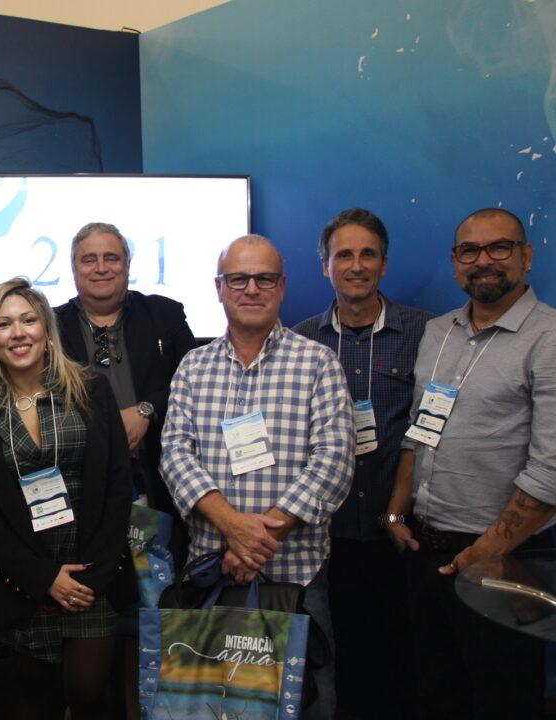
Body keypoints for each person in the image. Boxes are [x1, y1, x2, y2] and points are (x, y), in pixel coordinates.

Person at [160, 235, 354, 720]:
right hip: (211, 574)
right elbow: (175, 455)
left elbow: (334, 462)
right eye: (238, 279)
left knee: (309, 706)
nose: (251, 289)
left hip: (296, 578)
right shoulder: (193, 367)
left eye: (264, 279)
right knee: (208, 708)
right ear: (219, 288)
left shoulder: (318, 364)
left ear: (282, 287)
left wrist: (255, 540)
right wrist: (234, 528)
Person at [385, 207, 556, 720]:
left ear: (526, 256)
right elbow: (420, 430)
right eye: (469, 250)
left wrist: (481, 555)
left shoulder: (549, 338)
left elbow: (550, 472)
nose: (483, 261)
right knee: (439, 693)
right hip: (425, 547)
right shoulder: (439, 332)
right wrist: (395, 512)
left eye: (499, 247)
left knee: (505, 699)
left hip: (505, 557)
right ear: (455, 261)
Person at [0, 277, 135, 720]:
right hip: (25, 581)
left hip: (91, 576)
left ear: (46, 329)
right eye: (3, 324)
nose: (18, 333)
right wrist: (43, 579)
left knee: (88, 691)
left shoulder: (91, 390)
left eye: (28, 320)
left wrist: (93, 577)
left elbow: (118, 485)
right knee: (35, 696)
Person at [53, 221, 196, 718]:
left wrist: (146, 411)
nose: (101, 268)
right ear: (74, 269)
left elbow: (191, 380)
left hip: (159, 485)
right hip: (85, 496)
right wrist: (108, 429)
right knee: (98, 618)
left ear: (128, 265)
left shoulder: (163, 314)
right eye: (88, 259)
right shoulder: (51, 325)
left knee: (159, 609)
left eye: (111, 257)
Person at [292, 208, 431, 719]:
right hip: (327, 534)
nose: (356, 265)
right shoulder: (302, 341)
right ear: (325, 265)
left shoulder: (425, 333)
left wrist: (397, 510)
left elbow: (431, 429)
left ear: (384, 264)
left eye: (367, 254)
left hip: (400, 529)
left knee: (403, 660)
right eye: (343, 255)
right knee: (338, 660)